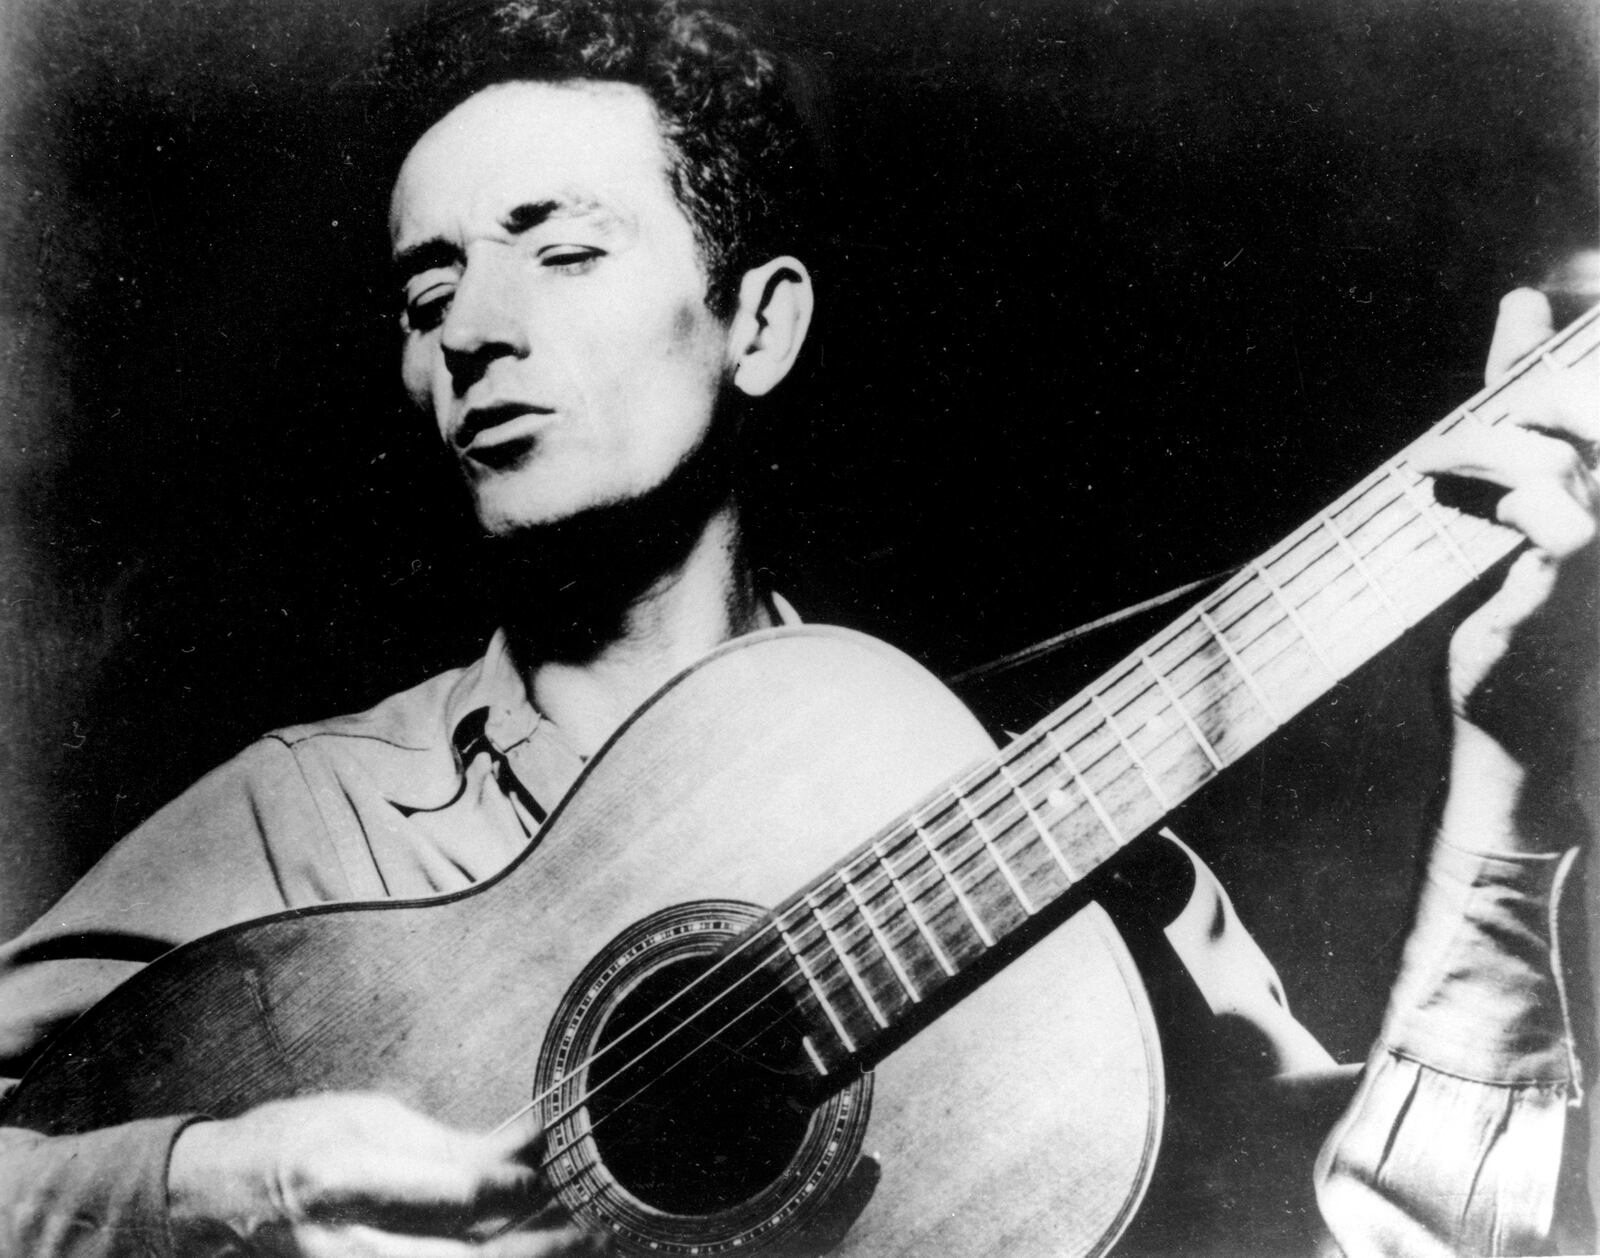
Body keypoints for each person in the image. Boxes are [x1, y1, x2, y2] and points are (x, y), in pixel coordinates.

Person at [0, 1, 1595, 1254]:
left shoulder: (1052, 833)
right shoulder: (305, 818)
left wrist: (1514, 798)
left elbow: (1411, 1240)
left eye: (560, 250)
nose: (477, 329)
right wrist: (236, 1185)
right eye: (427, 299)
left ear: (759, 324)